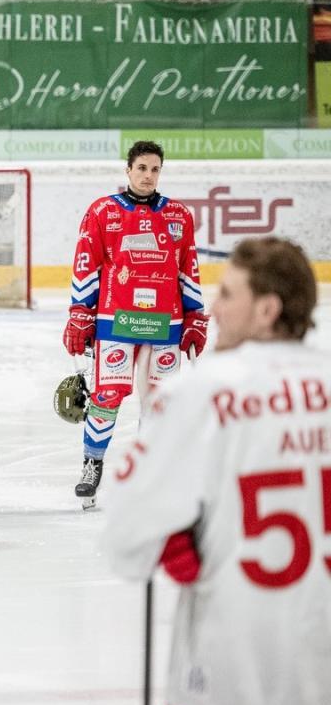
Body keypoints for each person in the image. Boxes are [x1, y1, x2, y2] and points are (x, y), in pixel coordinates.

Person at [103, 237, 330, 705]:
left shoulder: (199, 390)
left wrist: (169, 533)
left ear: (267, 310)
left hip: (223, 680)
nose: (211, 308)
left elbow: (126, 541)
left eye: (227, 294)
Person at [63, 140, 207, 509]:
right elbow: (86, 264)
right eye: (141, 168)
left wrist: (195, 317)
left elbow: (188, 268)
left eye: (155, 169)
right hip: (115, 320)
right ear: (128, 170)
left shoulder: (178, 215)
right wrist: (81, 313)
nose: (148, 175)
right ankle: (92, 466)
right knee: (106, 397)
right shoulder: (102, 211)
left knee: (159, 403)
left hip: (166, 325)